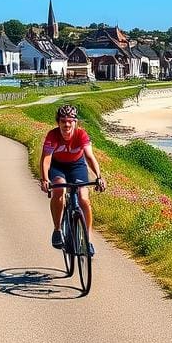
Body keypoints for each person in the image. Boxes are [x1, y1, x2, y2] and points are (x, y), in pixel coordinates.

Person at [39, 104, 107, 250]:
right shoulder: (53, 135)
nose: (67, 124)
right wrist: (45, 179)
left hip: (77, 165)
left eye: (70, 121)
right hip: (58, 167)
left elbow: (89, 156)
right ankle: (57, 230)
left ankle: (87, 240)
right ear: (58, 122)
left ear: (76, 122)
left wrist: (99, 177)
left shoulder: (81, 134)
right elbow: (46, 159)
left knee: (84, 198)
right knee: (59, 191)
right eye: (63, 121)